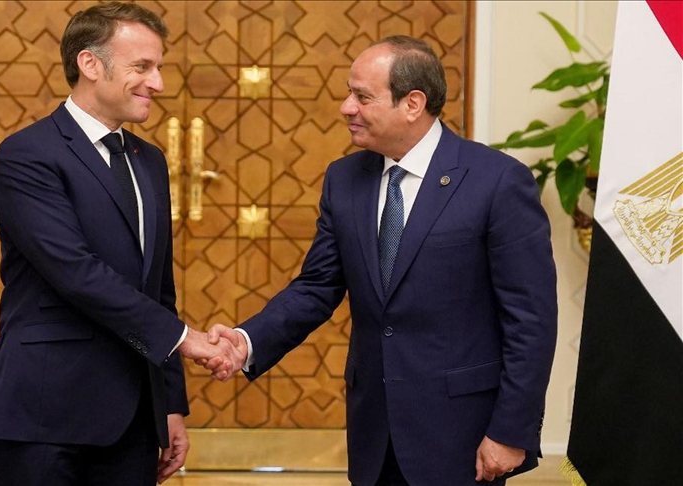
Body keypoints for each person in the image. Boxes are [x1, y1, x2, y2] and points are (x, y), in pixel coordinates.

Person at [205, 36, 557, 486]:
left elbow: (531, 319)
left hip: (461, 434)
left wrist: (510, 430)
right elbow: (316, 287)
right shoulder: (345, 178)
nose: (346, 107)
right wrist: (246, 340)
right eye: (349, 93)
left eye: (362, 96)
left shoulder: (497, 181)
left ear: (413, 104)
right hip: (374, 429)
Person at [0, 3, 235, 485]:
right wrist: (187, 339)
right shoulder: (28, 155)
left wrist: (170, 405)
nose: (158, 83)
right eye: (143, 67)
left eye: (158, 67)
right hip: (46, 411)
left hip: (133, 418)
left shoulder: (149, 160)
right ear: (90, 64)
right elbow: (76, 272)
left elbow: (159, 291)